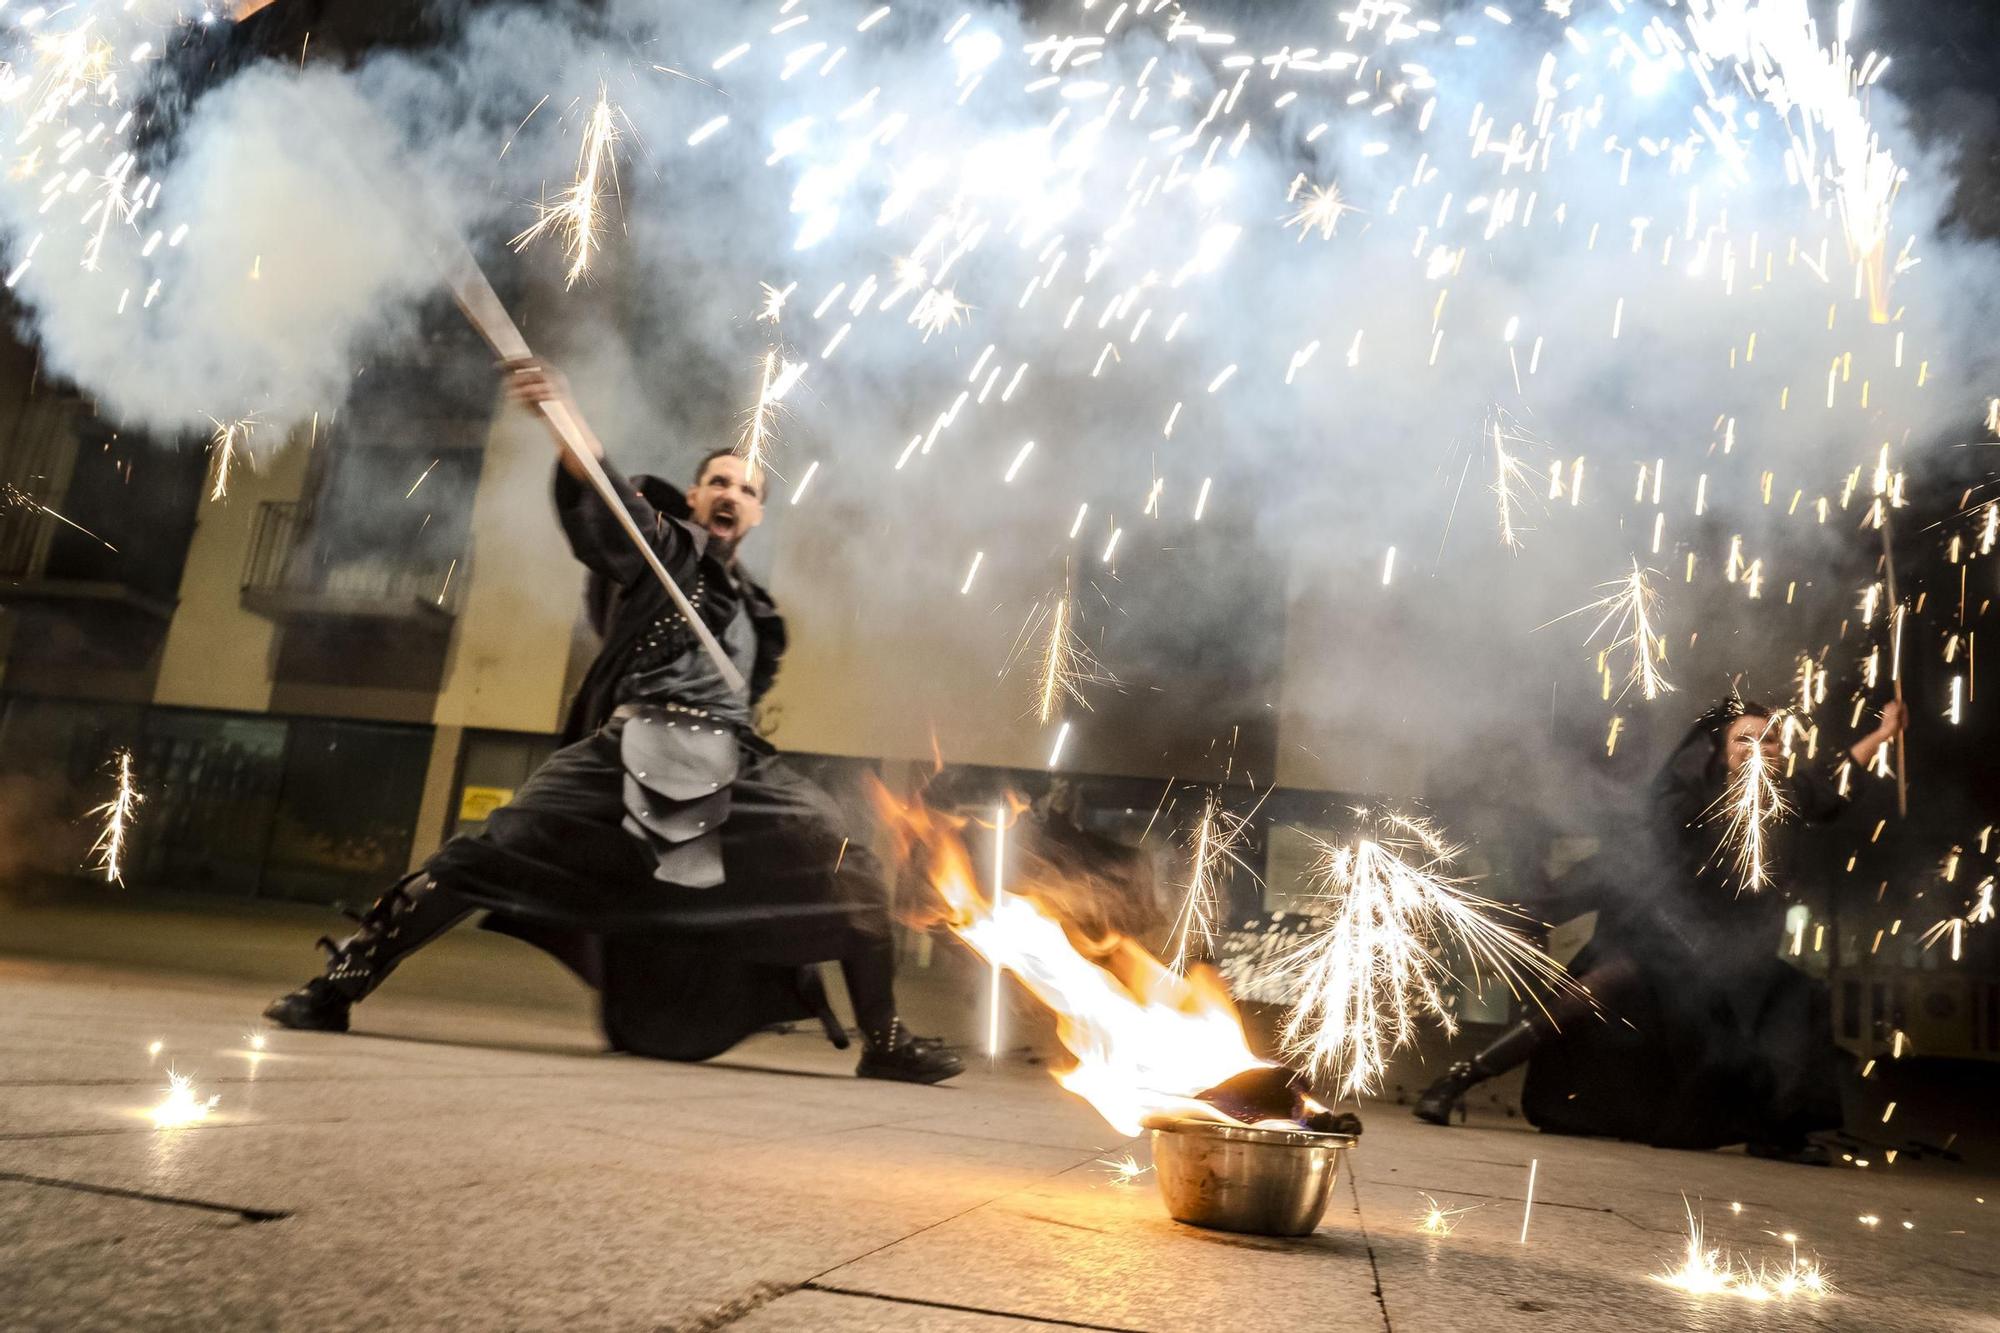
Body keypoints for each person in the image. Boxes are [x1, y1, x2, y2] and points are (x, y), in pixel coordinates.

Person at [263, 360, 962, 1084]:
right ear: (695, 497)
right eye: (719, 482)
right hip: (632, 742)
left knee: (854, 864)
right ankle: (338, 987)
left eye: (747, 489)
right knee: (489, 852)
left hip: (734, 762)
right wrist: (564, 416)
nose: (731, 493)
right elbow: (606, 506)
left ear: (758, 514)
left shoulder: (758, 612)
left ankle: (885, 1037)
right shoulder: (665, 549)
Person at [1412, 695, 1905, 1163]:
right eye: (1746, 740)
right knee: (1589, 994)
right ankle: (1456, 1081)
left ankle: (1779, 1135)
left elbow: (1836, 781)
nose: (1761, 750)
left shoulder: (1790, 797)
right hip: (1662, 940)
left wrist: (1882, 734)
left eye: (1772, 741)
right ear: (1721, 751)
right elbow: (1632, 870)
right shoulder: (1687, 800)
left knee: (1797, 1002)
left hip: (1731, 956)